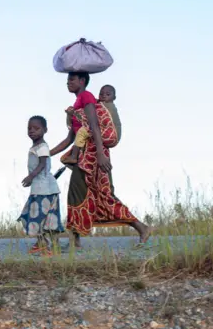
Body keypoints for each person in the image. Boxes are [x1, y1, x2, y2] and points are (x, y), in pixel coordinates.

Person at [50, 72, 151, 248]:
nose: (68, 83)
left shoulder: (87, 97)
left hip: (92, 156)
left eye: (72, 80)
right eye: (67, 80)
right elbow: (70, 138)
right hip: (84, 157)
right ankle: (76, 240)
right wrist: (47, 153)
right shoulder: (77, 104)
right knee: (84, 195)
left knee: (92, 194)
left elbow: (95, 126)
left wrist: (100, 154)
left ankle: (140, 228)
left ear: (82, 81)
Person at [18, 116, 64, 255]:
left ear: (45, 130)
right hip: (41, 188)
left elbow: (43, 164)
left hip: (45, 190)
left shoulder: (43, 147)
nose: (32, 131)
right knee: (35, 217)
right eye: (29, 128)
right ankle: (43, 244)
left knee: (40, 219)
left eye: (36, 128)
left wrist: (31, 176)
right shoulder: (36, 147)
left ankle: (47, 246)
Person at [63, 84, 122, 165]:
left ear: (114, 98)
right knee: (85, 137)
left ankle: (73, 156)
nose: (104, 96)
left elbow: (90, 115)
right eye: (101, 94)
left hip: (110, 135)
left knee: (82, 131)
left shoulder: (108, 107)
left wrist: (74, 112)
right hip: (104, 136)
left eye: (108, 94)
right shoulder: (99, 104)